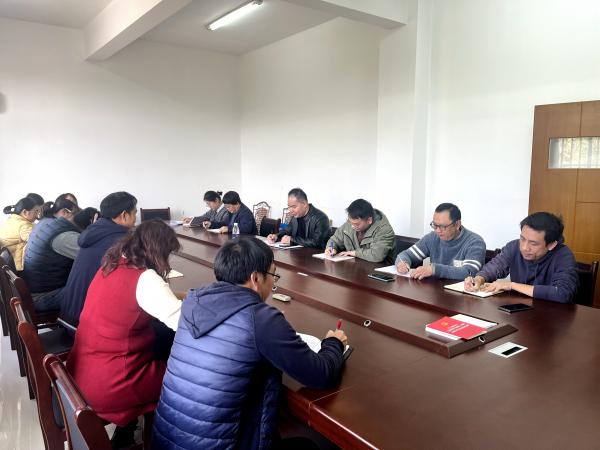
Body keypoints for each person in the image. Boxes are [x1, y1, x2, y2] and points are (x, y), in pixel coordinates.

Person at [152, 238, 347, 449]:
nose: (273, 283)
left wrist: (268, 325)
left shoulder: (193, 301)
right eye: (273, 275)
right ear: (255, 278)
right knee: (310, 446)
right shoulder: (260, 319)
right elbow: (320, 374)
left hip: (167, 440)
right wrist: (333, 343)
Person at [67, 220, 183, 447]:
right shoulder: (146, 278)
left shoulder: (111, 265)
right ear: (158, 251)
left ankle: (127, 430)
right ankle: (164, 439)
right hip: (112, 385)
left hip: (82, 372)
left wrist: (179, 297)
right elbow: (184, 325)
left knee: (159, 338)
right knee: (182, 377)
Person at [59, 192, 138, 328]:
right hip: (86, 326)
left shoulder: (95, 232)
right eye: (135, 213)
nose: (136, 218)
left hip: (68, 315)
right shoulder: (121, 241)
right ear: (124, 215)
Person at [464, 212, 578, 303]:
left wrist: (511, 285)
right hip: (520, 311)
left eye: (533, 243)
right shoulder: (514, 246)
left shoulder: (563, 255)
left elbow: (562, 293)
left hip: (552, 316)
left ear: (551, 244)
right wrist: (478, 279)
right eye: (522, 239)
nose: (524, 247)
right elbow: (495, 267)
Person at [395, 203, 486, 280]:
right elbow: (405, 255)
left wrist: (434, 270)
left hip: (461, 294)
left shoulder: (475, 242)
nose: (438, 230)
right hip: (435, 290)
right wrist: (403, 263)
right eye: (435, 225)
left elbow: (469, 272)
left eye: (443, 226)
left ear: (457, 224)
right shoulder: (432, 237)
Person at [22, 196, 81, 311]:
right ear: (64, 212)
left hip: (36, 289)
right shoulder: (62, 235)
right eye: (76, 216)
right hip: (44, 296)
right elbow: (92, 256)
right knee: (92, 286)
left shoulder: (45, 222)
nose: (78, 221)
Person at [325, 199, 395, 263]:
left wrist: (354, 253)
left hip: (378, 269)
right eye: (350, 222)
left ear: (369, 220)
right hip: (354, 266)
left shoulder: (384, 230)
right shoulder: (351, 222)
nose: (352, 226)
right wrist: (331, 248)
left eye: (357, 224)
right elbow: (334, 240)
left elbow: (377, 255)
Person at [0, 197, 41, 270]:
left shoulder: (12, 219)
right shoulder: (24, 226)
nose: (38, 214)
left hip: (8, 263)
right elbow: (38, 242)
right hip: (18, 266)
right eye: (36, 211)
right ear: (25, 212)